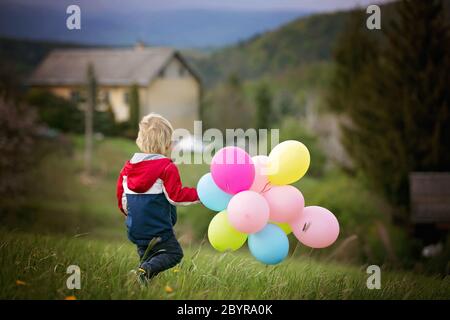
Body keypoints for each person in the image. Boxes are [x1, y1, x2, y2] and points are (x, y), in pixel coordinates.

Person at [116, 113, 199, 283]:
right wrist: (201, 195)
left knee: (146, 257)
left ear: (140, 140)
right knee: (174, 253)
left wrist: (133, 216)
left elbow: (122, 200)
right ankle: (145, 270)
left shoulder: (128, 168)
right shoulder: (166, 167)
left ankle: (142, 281)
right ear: (167, 143)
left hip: (135, 228)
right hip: (158, 230)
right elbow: (176, 196)